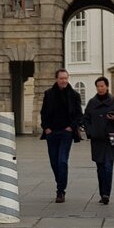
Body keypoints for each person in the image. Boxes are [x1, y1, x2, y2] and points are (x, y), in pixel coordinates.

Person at [40, 68, 83, 203]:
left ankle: (60, 191)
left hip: (66, 133)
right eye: (61, 78)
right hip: (51, 132)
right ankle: (60, 183)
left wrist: (71, 127)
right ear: (56, 79)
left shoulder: (74, 95)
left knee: (62, 161)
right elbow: (44, 113)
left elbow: (78, 114)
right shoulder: (49, 94)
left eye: (65, 78)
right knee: (54, 162)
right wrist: (46, 128)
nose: (64, 81)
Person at [81, 76, 114, 204]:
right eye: (98, 86)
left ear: (107, 86)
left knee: (108, 166)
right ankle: (102, 193)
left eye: (102, 86)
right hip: (97, 138)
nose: (100, 88)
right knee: (100, 167)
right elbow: (85, 119)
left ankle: (106, 194)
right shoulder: (92, 103)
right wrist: (90, 132)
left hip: (112, 137)